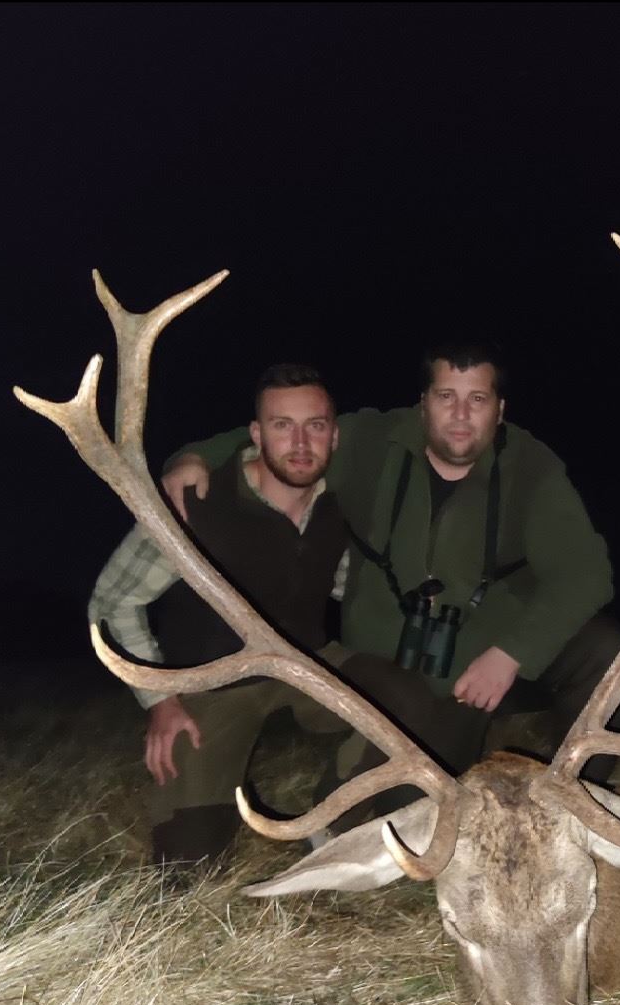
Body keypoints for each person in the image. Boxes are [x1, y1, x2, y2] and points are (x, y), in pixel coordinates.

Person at [162, 345, 620, 779]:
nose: (460, 414)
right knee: (415, 804)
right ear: (423, 404)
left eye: (477, 399)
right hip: (400, 671)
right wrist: (195, 456)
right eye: (446, 396)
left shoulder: (532, 467)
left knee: (605, 651)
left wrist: (513, 653)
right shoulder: (369, 443)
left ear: (500, 409)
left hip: (494, 654)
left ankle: (580, 797)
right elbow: (290, 436)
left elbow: (587, 575)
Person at [90, 362, 453, 869]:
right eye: (283, 426)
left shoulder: (341, 506)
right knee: (188, 864)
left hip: (307, 666)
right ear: (256, 435)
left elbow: (348, 584)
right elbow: (112, 603)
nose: (300, 443)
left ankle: (334, 821)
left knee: (408, 698)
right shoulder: (194, 502)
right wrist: (161, 701)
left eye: (315, 426)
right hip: (213, 683)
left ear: (334, 436)